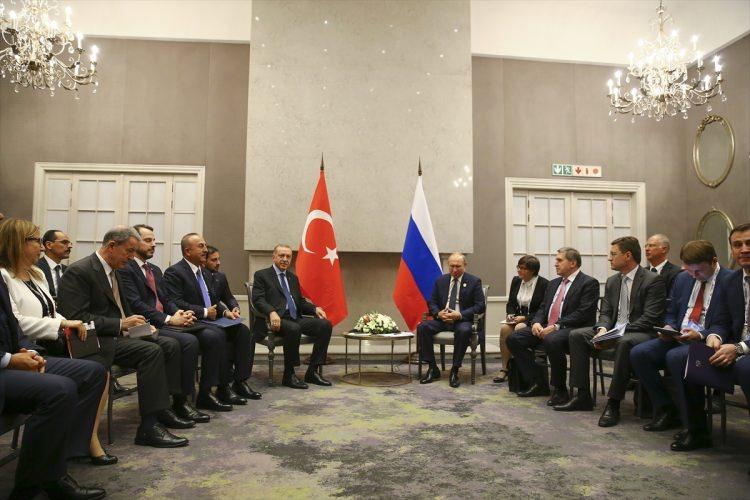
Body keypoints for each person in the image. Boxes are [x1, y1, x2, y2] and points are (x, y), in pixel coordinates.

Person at [57, 226, 190, 448]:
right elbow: (76, 318)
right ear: (111, 246)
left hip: (119, 335)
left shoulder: (116, 270)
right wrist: (121, 324)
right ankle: (149, 427)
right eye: (129, 251)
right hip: (96, 340)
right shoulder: (79, 271)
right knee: (151, 352)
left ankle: (164, 409)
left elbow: (123, 311)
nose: (131, 257)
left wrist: (142, 326)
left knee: (170, 344)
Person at [0, 219, 116, 465]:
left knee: (98, 367)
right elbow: (17, 321)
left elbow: (50, 310)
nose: (42, 247)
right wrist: (62, 325)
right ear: (17, 243)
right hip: (31, 345)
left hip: (45, 342)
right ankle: (77, 444)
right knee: (84, 374)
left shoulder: (36, 273)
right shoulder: (4, 276)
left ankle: (81, 440)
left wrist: (68, 322)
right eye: (36, 241)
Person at [1, 273, 107, 499]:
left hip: (18, 354)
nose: (39, 252)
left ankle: (64, 458)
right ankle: (35, 485)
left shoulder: (25, 275)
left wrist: (29, 352)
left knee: (94, 371)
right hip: (6, 363)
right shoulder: (5, 275)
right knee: (60, 389)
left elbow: (12, 326)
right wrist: (9, 359)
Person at [556, 236, 666, 428]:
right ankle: (582, 395)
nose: (609, 258)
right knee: (577, 335)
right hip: (616, 330)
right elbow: (605, 312)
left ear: (628, 256)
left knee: (624, 342)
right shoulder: (612, 281)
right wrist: (602, 329)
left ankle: (613, 403)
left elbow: (650, 319)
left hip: (641, 332)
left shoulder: (653, 280)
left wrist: (615, 332)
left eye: (613, 254)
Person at [630, 240, 731, 438]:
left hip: (708, 339)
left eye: (698, 271)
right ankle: (666, 408)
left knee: (676, 357)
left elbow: (727, 321)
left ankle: (695, 427)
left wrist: (701, 334)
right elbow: (671, 311)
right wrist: (669, 327)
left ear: (713, 262)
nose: (694, 276)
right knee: (639, 353)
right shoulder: (683, 278)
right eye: (690, 271)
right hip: (679, 335)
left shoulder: (728, 280)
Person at [667, 223, 750, 451]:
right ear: (731, 250)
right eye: (737, 245)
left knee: (745, 368)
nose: (744, 249)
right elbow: (722, 320)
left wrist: (739, 348)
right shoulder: (732, 281)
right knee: (680, 358)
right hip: (733, 344)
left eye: (748, 243)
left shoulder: (725, 278)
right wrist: (715, 336)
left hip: (743, 349)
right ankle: (696, 431)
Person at [119, 224, 210, 422]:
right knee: (187, 342)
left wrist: (178, 312)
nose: (154, 244)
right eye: (148, 240)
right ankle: (177, 401)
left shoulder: (155, 269)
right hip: (143, 325)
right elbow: (136, 304)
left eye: (154, 240)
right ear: (134, 243)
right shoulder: (125, 269)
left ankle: (183, 400)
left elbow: (166, 299)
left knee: (199, 336)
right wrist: (169, 319)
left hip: (163, 321)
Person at [163, 233, 259, 405]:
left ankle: (239, 382)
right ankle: (207, 392)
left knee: (243, 331)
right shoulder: (174, 272)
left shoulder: (205, 273)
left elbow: (214, 300)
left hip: (210, 320)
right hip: (191, 321)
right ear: (187, 251)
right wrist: (205, 312)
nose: (205, 250)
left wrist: (225, 312)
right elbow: (175, 302)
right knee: (217, 335)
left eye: (205, 246)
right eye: (201, 246)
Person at [506, 248, 599, 405]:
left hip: (573, 329)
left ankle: (560, 389)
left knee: (552, 339)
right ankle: (538, 382)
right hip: (546, 327)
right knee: (513, 339)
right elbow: (543, 308)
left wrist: (556, 325)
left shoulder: (588, 283)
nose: (555, 264)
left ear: (573, 263)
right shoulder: (554, 283)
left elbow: (583, 313)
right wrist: (536, 322)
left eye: (559, 260)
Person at [250, 244, 333, 389]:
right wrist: (271, 312)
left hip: (294, 318)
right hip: (275, 320)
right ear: (274, 257)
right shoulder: (262, 275)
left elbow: (300, 301)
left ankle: (312, 371)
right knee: (294, 328)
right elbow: (258, 300)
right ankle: (289, 375)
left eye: (288, 256)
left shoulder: (292, 278)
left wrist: (314, 309)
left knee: (325, 325)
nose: (285, 259)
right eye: (281, 255)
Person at [417, 252, 485, 388]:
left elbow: (480, 305)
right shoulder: (441, 281)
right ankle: (432, 368)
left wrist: (460, 314)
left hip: (462, 320)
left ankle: (454, 370)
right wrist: (438, 313)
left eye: (458, 266)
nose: (454, 269)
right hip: (443, 320)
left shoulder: (474, 281)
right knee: (423, 327)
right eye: (451, 266)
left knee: (464, 331)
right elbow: (432, 302)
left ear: (465, 265)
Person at [494, 255, 549, 384]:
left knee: (519, 328)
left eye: (523, 268)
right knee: (504, 329)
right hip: (517, 317)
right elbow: (511, 303)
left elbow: (543, 309)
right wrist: (510, 314)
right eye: (518, 267)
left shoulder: (544, 284)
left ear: (533, 271)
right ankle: (505, 368)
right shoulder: (516, 281)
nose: (519, 270)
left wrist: (525, 318)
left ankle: (519, 367)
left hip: (533, 319)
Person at [37, 229, 72, 298]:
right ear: (49, 245)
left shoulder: (69, 270)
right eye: (64, 242)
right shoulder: (35, 268)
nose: (70, 246)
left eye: (69, 243)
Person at [205, 245, 240, 312]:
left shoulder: (220, 276)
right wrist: (225, 312)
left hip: (220, 314)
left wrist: (235, 307)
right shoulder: (198, 277)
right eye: (214, 260)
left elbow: (229, 298)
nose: (218, 263)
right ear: (204, 261)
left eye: (218, 259)